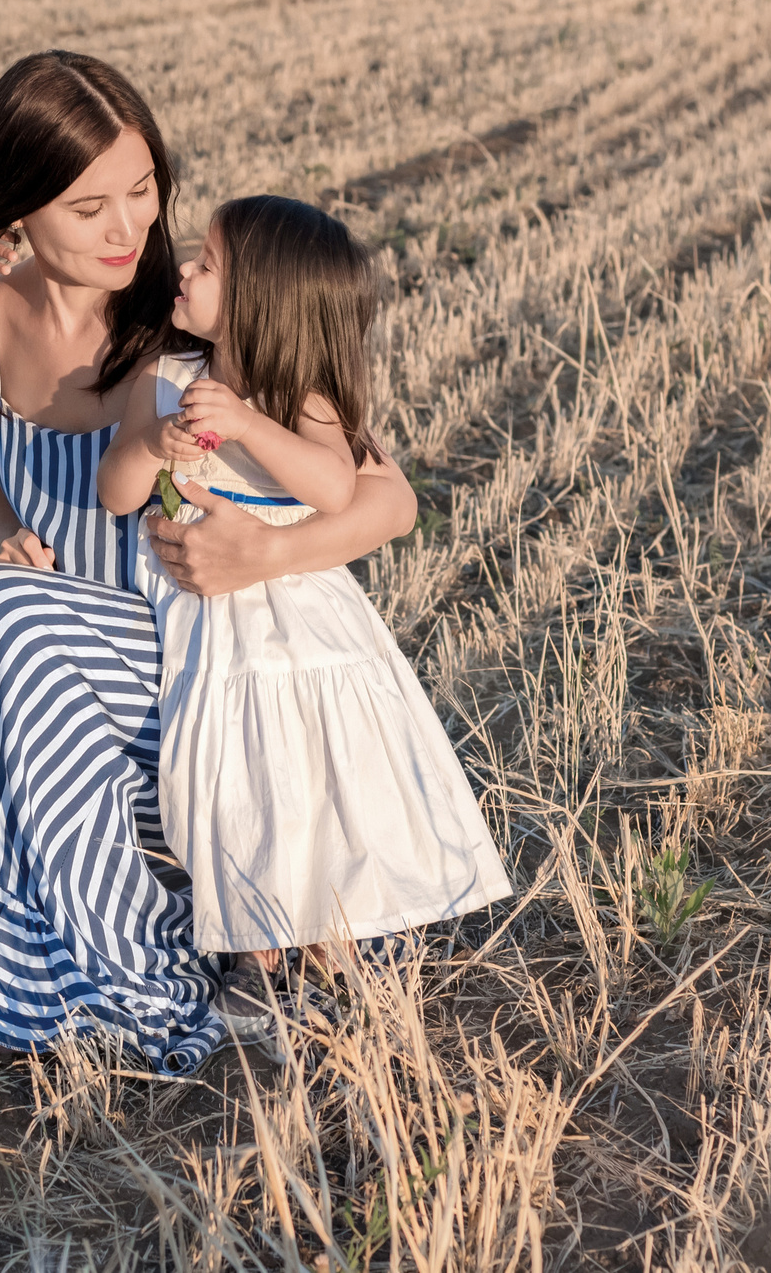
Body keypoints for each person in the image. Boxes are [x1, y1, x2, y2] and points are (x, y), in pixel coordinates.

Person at [0, 52, 422, 1073]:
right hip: (50, 687)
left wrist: (266, 551)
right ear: (17, 207)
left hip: (193, 677)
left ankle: (134, 970)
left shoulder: (186, 326)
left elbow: (387, 498)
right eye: (89, 205)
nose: (128, 230)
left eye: (143, 193)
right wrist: (0, 528)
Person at [97, 195, 509, 1035]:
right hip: (211, 626)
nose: (185, 268)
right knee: (234, 776)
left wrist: (248, 419)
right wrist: (154, 445)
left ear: (262, 304)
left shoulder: (303, 400)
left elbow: (334, 488)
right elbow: (114, 493)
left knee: (323, 772)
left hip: (305, 625)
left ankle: (339, 932)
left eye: (208, 265)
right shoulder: (167, 379)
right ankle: (256, 952)